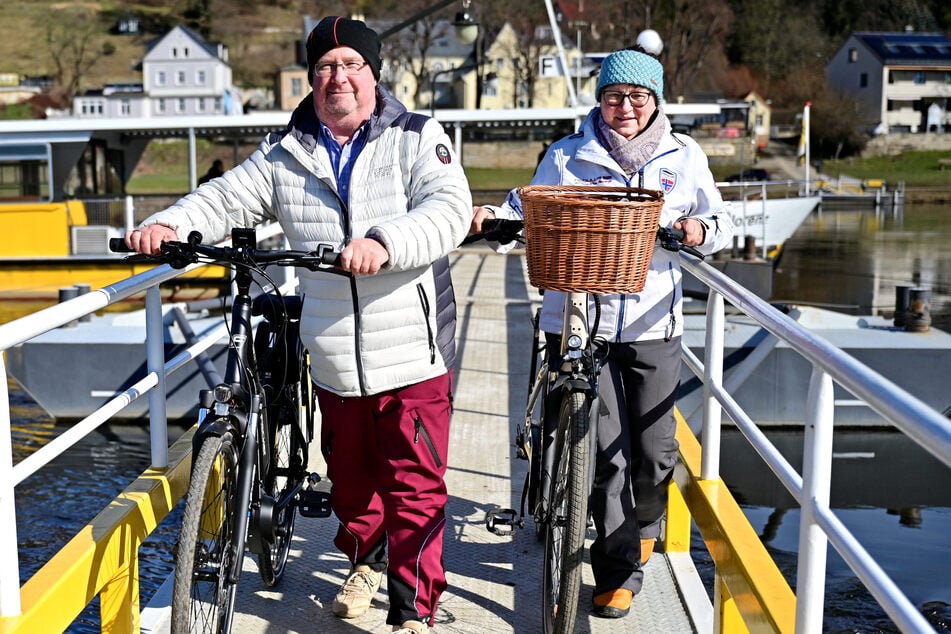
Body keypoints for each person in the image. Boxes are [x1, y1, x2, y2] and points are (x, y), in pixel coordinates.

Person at [125, 16, 472, 634]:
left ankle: (414, 611)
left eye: (351, 66)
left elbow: (447, 209)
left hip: (413, 349)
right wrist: (171, 224)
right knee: (351, 485)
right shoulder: (285, 152)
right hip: (335, 353)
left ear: (373, 74)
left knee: (415, 487)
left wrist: (385, 241)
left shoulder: (417, 137)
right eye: (325, 68)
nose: (338, 78)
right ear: (312, 81)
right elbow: (225, 198)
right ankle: (363, 562)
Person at [471, 42, 733, 619]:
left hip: (651, 321)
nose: (625, 107)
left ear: (656, 100)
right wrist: (493, 218)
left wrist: (695, 230)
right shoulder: (569, 154)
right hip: (578, 321)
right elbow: (529, 204)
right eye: (614, 96)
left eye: (637, 96)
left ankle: (644, 523)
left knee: (654, 453)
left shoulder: (683, 157)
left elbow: (722, 221)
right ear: (600, 100)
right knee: (606, 452)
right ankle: (616, 569)